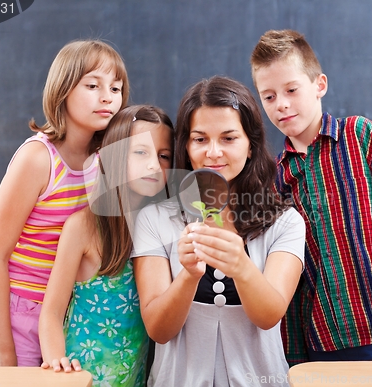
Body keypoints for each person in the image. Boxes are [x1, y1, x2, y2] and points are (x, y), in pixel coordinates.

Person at [250, 29, 372, 363]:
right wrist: (294, 356)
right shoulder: (276, 179)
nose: (281, 103)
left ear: (319, 85)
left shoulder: (361, 138)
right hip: (321, 345)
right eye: (268, 96)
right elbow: (289, 276)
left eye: (291, 90)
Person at [131, 76, 306, 386]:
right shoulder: (154, 219)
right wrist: (188, 274)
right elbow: (158, 329)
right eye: (200, 139)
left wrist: (241, 265)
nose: (213, 152)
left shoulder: (286, 222)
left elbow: (269, 316)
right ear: (185, 146)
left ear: (250, 146)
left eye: (228, 138)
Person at [0, 39, 129, 367]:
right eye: (93, 85)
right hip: (11, 318)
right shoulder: (39, 159)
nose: (107, 97)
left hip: (60, 318)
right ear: (62, 90)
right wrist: (1, 349)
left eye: (116, 87)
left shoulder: (103, 162)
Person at [39, 105, 174, 387]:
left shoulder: (165, 228)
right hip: (81, 377)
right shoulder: (83, 226)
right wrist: (56, 361)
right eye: (141, 152)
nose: (153, 164)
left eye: (164, 156)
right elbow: (52, 311)